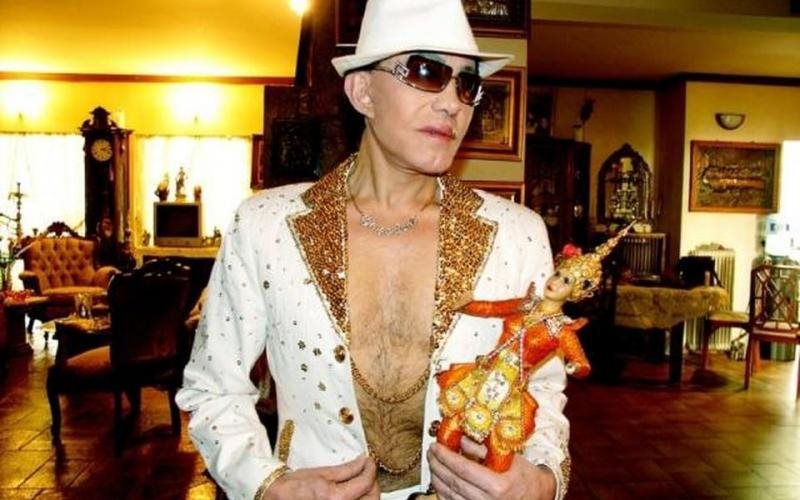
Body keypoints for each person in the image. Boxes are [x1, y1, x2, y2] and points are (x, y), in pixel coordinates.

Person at [176, 1, 570, 499]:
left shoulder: (518, 235)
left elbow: (541, 391)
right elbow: (214, 388)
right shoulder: (264, 227)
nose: (452, 103)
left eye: (467, 84)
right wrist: (265, 484)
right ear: (362, 91)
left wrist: (544, 480)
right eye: (426, 72)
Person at [436, 229, 631, 474]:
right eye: (558, 274)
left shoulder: (561, 331)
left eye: (566, 281)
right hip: (484, 375)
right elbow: (490, 308)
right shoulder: (526, 304)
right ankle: (440, 484)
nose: (556, 282)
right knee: (450, 427)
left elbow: (582, 364)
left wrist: (574, 367)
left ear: (576, 292)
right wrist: (464, 305)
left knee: (500, 448)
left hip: (511, 390)